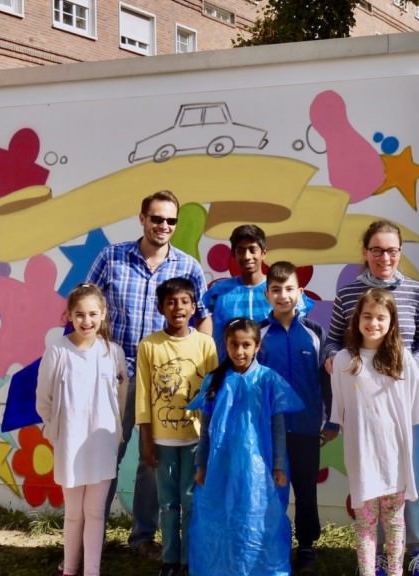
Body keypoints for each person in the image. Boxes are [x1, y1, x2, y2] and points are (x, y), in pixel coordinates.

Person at [85, 189, 211, 558]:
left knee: (151, 461)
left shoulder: (187, 266)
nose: (164, 226)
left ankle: (142, 537)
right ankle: (93, 533)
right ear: (142, 218)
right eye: (157, 218)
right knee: (107, 454)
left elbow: (202, 317)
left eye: (171, 220)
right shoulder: (112, 257)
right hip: (114, 377)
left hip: (165, 385)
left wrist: (200, 370)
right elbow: (86, 303)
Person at [323, 219, 419, 576]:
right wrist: (332, 361)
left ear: (400, 252)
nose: (384, 257)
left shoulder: (416, 291)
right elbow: (334, 339)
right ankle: (372, 563)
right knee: (371, 482)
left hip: (401, 402)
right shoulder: (348, 293)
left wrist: (407, 369)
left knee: (406, 476)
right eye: (377, 250)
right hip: (364, 404)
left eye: (391, 250)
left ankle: (412, 554)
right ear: (366, 252)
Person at [190, 318, 302, 576]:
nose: (239, 351)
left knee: (258, 514)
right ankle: (222, 567)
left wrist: (277, 465)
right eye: (233, 345)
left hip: (258, 467)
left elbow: (277, 428)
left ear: (257, 346)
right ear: (225, 345)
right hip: (222, 464)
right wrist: (201, 464)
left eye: (246, 345)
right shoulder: (215, 381)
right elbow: (206, 430)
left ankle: (259, 568)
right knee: (220, 514)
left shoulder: (268, 380)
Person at [36, 283, 126, 576]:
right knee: (74, 513)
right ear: (69, 316)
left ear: (103, 314)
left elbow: (120, 397)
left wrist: (115, 433)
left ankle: (92, 570)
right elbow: (44, 398)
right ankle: (70, 568)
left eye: (92, 314)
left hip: (101, 444)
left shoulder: (113, 353)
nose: (86, 321)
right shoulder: (57, 351)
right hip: (70, 444)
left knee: (96, 512)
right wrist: (55, 431)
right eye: (79, 315)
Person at [135, 277, 218, 576]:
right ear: (161, 308)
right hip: (163, 441)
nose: (178, 307)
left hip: (196, 441)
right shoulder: (149, 345)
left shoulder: (206, 344)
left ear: (194, 306)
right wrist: (146, 440)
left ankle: (189, 561)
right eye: (171, 302)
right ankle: (170, 560)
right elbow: (143, 396)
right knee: (168, 504)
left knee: (191, 502)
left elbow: (213, 394)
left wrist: (210, 440)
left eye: (184, 301)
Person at [257, 261, 335, 575]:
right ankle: (271, 546)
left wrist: (332, 422)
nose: (283, 295)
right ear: (267, 294)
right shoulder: (258, 333)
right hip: (268, 430)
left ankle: (306, 547)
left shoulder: (315, 333)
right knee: (271, 491)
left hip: (305, 428)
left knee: (305, 489)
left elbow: (327, 381)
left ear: (300, 293)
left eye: (289, 288)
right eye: (276, 289)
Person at [202, 224, 271, 354]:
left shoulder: (279, 290)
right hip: (226, 372)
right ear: (233, 255)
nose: (246, 256)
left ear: (264, 253)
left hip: (270, 371)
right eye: (241, 250)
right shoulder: (218, 291)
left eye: (252, 249)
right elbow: (201, 328)